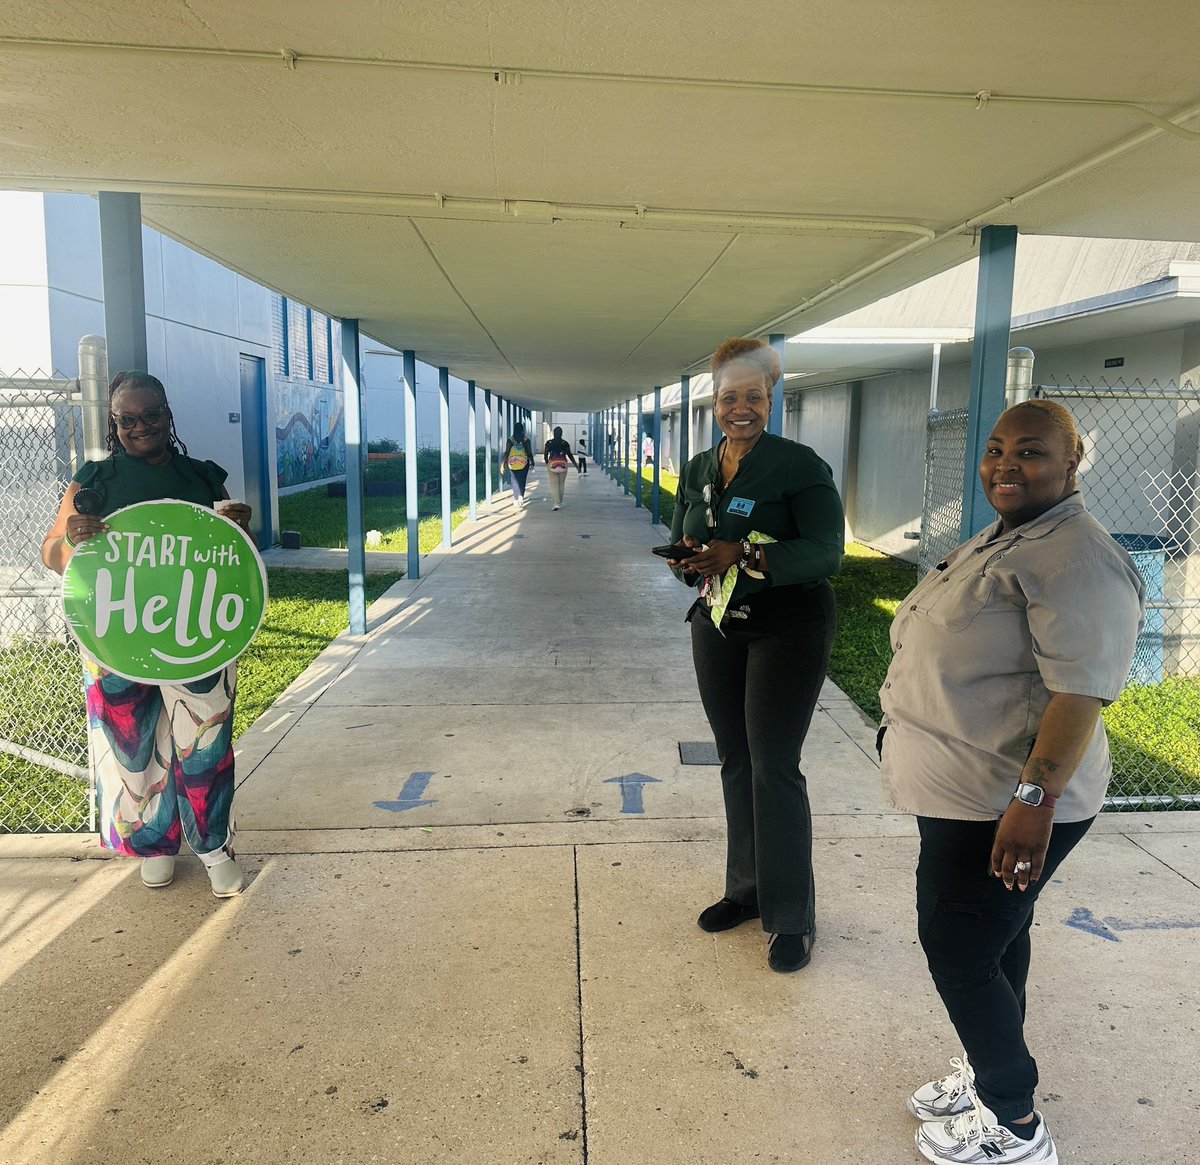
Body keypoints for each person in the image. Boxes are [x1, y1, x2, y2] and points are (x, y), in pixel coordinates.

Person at [878, 400, 1145, 1165]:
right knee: (998, 937)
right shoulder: (1015, 534)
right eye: (997, 449)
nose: (1005, 464)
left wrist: (1034, 802)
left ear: (1073, 460)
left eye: (1029, 452)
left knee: (958, 944)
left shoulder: (1076, 556)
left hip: (1007, 799)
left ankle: (1015, 1121)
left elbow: (1079, 692)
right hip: (965, 788)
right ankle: (984, 1059)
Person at [663, 337, 843, 973]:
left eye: (753, 397)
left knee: (773, 765)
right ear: (714, 402)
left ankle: (792, 918)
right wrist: (688, 556)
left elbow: (827, 551)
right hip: (718, 621)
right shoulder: (698, 466)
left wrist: (743, 553)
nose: (740, 409)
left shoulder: (799, 465)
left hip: (786, 626)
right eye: (728, 398)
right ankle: (746, 891)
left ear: (772, 398)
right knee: (735, 760)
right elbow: (685, 528)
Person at [41, 370, 255, 898]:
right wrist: (72, 539)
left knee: (205, 745)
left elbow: (232, 557)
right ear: (115, 424)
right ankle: (154, 844)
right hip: (116, 636)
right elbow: (50, 556)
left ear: (168, 413)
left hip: (197, 631)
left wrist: (243, 529)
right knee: (135, 747)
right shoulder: (95, 480)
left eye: (151, 414)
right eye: (128, 419)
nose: (141, 426)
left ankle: (214, 850)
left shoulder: (202, 477)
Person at [543, 426, 579, 510]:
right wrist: (576, 466)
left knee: (554, 485)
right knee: (561, 484)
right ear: (561, 433)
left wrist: (547, 463)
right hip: (563, 465)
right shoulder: (565, 443)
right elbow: (570, 455)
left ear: (553, 433)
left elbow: (545, 455)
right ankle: (560, 501)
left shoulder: (549, 443)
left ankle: (556, 503)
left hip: (552, 465)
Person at [501, 422, 534, 509]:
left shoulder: (510, 440)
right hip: (524, 463)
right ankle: (521, 497)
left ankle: (516, 499)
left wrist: (502, 465)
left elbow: (506, 453)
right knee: (522, 481)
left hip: (512, 463)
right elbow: (529, 452)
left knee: (514, 480)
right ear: (522, 430)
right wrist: (532, 462)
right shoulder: (526, 440)